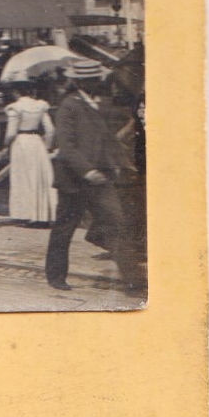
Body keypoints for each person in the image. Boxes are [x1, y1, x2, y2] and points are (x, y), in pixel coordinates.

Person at [46, 62, 145, 293]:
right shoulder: (68, 106)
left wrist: (119, 165)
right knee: (65, 228)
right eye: (91, 80)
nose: (98, 83)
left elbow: (107, 141)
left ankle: (133, 279)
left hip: (101, 178)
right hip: (74, 180)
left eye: (97, 79)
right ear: (80, 82)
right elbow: (67, 146)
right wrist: (87, 171)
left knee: (117, 224)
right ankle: (55, 275)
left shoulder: (98, 105)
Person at [3, 79, 56, 226]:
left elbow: (11, 132)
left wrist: (5, 145)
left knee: (24, 177)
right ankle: (42, 215)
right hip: (37, 142)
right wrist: (47, 146)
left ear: (16, 92)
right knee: (39, 177)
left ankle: (27, 214)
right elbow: (50, 130)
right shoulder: (40, 105)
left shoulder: (15, 108)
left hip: (21, 142)